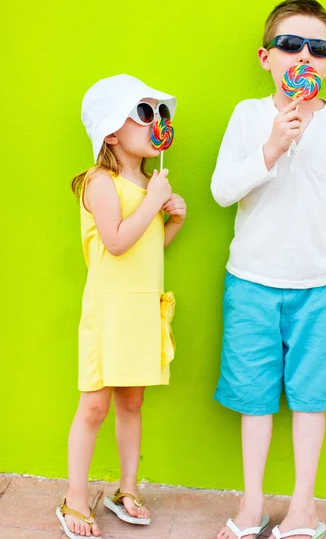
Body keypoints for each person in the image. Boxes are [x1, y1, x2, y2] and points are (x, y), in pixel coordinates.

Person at [211, 0, 326, 539]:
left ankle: (304, 508)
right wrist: (272, 147)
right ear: (266, 57)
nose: (303, 54)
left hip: (317, 284)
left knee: (311, 394)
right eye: (291, 45)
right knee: (253, 397)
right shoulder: (247, 115)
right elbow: (222, 190)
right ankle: (251, 504)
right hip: (251, 279)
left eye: (317, 49)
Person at [56, 74, 186, 539]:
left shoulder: (149, 182)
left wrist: (171, 222)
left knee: (133, 402)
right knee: (94, 407)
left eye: (161, 113)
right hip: (109, 312)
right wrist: (152, 204)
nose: (158, 121)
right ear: (112, 131)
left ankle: (126, 489)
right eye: (145, 112)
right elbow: (114, 243)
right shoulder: (100, 182)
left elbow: (147, 248)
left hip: (141, 311)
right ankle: (74, 497)